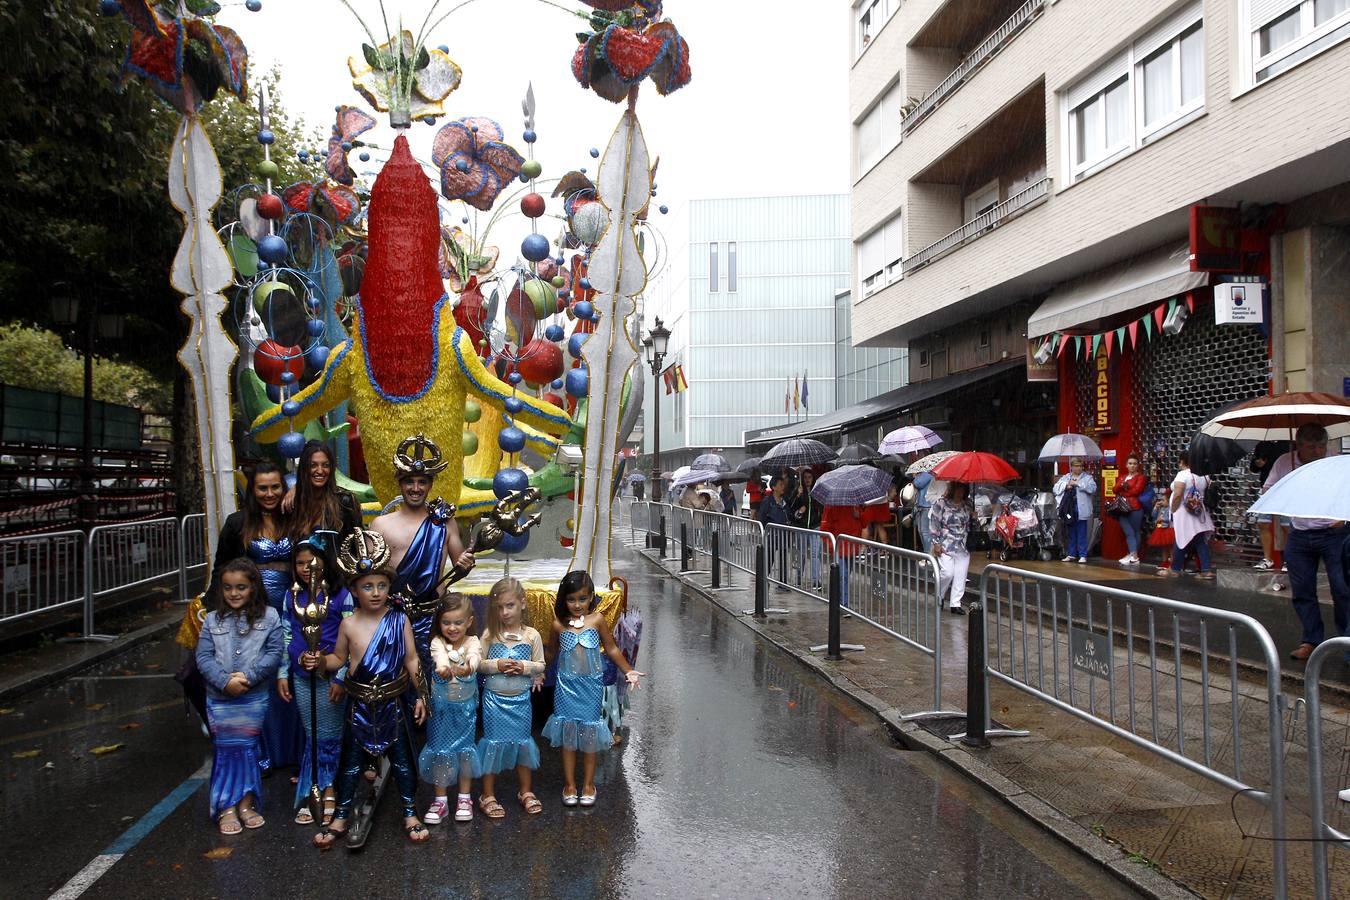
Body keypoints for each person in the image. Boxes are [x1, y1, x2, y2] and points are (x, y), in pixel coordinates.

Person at [307, 529, 430, 848]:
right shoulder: (348, 625)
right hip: (359, 706)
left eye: (381, 585)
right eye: (367, 586)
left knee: (403, 761)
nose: (375, 592)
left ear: (389, 587)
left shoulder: (398, 619)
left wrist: (422, 696)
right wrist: (318, 662)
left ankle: (409, 811)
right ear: (354, 589)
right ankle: (341, 816)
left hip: (393, 704)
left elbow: (412, 660)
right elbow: (338, 658)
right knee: (349, 764)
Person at [205, 461, 303, 773]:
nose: (270, 493)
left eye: (276, 487)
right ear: (252, 490)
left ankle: (293, 750)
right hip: (251, 613)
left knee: (289, 674)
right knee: (258, 675)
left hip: (291, 609)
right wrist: (211, 611)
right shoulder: (237, 523)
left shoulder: (295, 520)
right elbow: (222, 569)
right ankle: (261, 752)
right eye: (263, 487)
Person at [370, 434, 476, 676]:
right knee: (393, 678)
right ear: (399, 482)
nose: (415, 488)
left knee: (433, 678)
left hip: (433, 617)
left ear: (430, 485)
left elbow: (461, 566)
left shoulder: (443, 522)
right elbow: (368, 577)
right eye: (409, 481)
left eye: (422, 482)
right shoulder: (380, 525)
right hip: (392, 616)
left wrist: (466, 562)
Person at [195, 558, 283, 834]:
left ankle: (246, 803)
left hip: (252, 697)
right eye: (228, 588)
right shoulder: (211, 619)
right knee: (225, 750)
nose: (234, 593)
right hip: (219, 699)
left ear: (253, 587)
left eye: (241, 587)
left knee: (247, 749)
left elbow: (274, 653)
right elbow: (203, 657)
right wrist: (224, 682)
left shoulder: (270, 617)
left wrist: (249, 677)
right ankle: (225, 807)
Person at [543, 571, 644, 807]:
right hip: (566, 688)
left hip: (590, 687)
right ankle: (569, 784)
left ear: (591, 598)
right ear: (563, 599)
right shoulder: (558, 624)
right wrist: (536, 672)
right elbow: (550, 653)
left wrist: (628, 670)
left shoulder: (597, 620)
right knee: (568, 737)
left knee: (589, 736)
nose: (577, 605)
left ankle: (588, 783)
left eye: (582, 598)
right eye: (571, 599)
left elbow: (612, 649)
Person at [278, 539, 352, 826]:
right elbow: (286, 636)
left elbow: (349, 639)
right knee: (313, 734)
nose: (306, 568)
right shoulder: (291, 597)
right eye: (299, 563)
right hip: (300, 675)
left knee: (330, 733)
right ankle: (313, 789)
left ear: (324, 562)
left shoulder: (340, 594)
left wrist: (343, 677)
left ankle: (330, 788)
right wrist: (282, 673)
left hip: (331, 675)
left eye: (313, 562)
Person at [1266, 424, 1346, 661]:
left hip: (1334, 534)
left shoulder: (1335, 462)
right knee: (1302, 591)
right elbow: (1269, 489)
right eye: (1312, 447)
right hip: (1300, 534)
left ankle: (1346, 641)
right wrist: (1288, 494)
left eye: (1321, 445)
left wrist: (1343, 517)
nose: (1318, 451)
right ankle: (1311, 640)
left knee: (1342, 589)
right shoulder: (1284, 462)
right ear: (1299, 445)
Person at [476, 576, 546, 819]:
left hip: (521, 701)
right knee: (493, 743)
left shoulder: (532, 636)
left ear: (523, 604)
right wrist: (497, 664)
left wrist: (525, 667)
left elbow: (541, 665)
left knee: (522, 742)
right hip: (494, 700)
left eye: (510, 606)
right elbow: (479, 665)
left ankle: (525, 791)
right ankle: (488, 794)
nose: (504, 612)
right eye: (499, 607)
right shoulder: (489, 635)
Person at [419, 593, 482, 825]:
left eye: (458, 622)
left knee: (465, 752)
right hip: (441, 710)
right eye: (446, 623)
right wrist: (444, 668)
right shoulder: (437, 642)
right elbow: (439, 658)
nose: (452, 628)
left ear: (469, 621)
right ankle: (440, 800)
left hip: (464, 709)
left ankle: (465, 798)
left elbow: (475, 657)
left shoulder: (472, 641)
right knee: (440, 753)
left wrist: (469, 666)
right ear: (439, 623)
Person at [287, 440, 362, 548]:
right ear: (304, 468)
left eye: (325, 465)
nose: (320, 471)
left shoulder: (344, 501)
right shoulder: (293, 503)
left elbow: (357, 545)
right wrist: (296, 488)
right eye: (313, 465)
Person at [1158, 451, 1215, 580]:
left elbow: (1178, 494)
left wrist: (1172, 509)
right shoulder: (1204, 475)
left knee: (1181, 538)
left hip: (1184, 514)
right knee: (1200, 540)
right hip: (1199, 512)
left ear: (1183, 461)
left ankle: (1175, 569)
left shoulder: (1182, 475)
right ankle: (1205, 570)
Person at [930, 482, 974, 614]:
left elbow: (970, 526)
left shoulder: (968, 504)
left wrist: (974, 518)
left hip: (962, 545)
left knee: (961, 575)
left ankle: (955, 603)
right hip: (945, 545)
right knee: (947, 573)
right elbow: (934, 523)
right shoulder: (941, 503)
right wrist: (935, 542)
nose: (960, 493)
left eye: (962, 489)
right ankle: (940, 595)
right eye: (957, 489)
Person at [1250, 440, 1290, 570]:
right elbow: (1253, 467)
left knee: (1286, 525)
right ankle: (1267, 559)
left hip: (1285, 488)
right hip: (1267, 487)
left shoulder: (1287, 444)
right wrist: (1258, 464)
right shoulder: (1261, 445)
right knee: (1263, 522)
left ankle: (1288, 559)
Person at [1054, 457, 1097, 563]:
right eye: (1076, 466)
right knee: (1071, 532)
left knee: (1082, 532)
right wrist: (1066, 485)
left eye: (1081, 466)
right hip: (1069, 509)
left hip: (1081, 509)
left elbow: (1092, 488)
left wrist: (1078, 484)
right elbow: (1055, 488)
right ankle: (1072, 554)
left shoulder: (1087, 478)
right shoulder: (1066, 477)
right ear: (1071, 467)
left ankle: (1082, 554)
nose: (1079, 468)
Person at [1114, 454, 1149, 566]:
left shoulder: (1141, 477)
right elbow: (1114, 489)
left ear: (1138, 465)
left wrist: (1124, 489)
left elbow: (1136, 491)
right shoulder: (1122, 476)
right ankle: (1133, 555)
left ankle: (1133, 555)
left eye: (1134, 463)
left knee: (1135, 531)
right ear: (1126, 465)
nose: (1132, 466)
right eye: (1130, 463)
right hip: (1121, 508)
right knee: (1128, 532)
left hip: (1135, 507)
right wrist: (1124, 487)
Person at [791, 469, 824, 589]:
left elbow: (822, 507)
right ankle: (799, 578)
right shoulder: (798, 491)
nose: (807, 480)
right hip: (802, 527)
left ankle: (816, 581)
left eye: (809, 477)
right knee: (801, 554)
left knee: (815, 554)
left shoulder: (817, 491)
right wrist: (798, 496)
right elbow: (791, 507)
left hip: (815, 526)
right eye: (805, 477)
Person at [759, 477, 792, 592]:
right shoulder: (767, 502)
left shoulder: (785, 501)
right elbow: (761, 519)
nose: (783, 486)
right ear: (773, 487)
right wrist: (764, 532)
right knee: (769, 560)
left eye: (783, 484)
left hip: (783, 535)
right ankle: (763, 581)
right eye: (780, 484)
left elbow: (790, 515)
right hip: (772, 536)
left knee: (783, 560)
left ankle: (782, 584)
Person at [912, 470, 935, 553]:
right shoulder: (933, 473)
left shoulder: (928, 473)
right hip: (928, 505)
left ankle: (928, 555)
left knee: (924, 532)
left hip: (925, 505)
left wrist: (916, 476)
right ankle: (928, 554)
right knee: (924, 531)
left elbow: (917, 483)